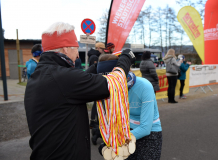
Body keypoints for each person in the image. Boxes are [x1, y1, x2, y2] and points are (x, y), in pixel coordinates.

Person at [24, 22, 135, 160]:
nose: (78, 56)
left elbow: (76, 85)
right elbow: (113, 84)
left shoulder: (41, 74)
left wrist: (95, 69)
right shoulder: (63, 77)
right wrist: (126, 58)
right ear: (65, 49)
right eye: (76, 48)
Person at [97, 56, 162, 160]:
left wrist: (115, 141)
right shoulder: (109, 88)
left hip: (149, 134)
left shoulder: (145, 86)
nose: (107, 83)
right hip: (126, 132)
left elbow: (145, 128)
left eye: (110, 78)